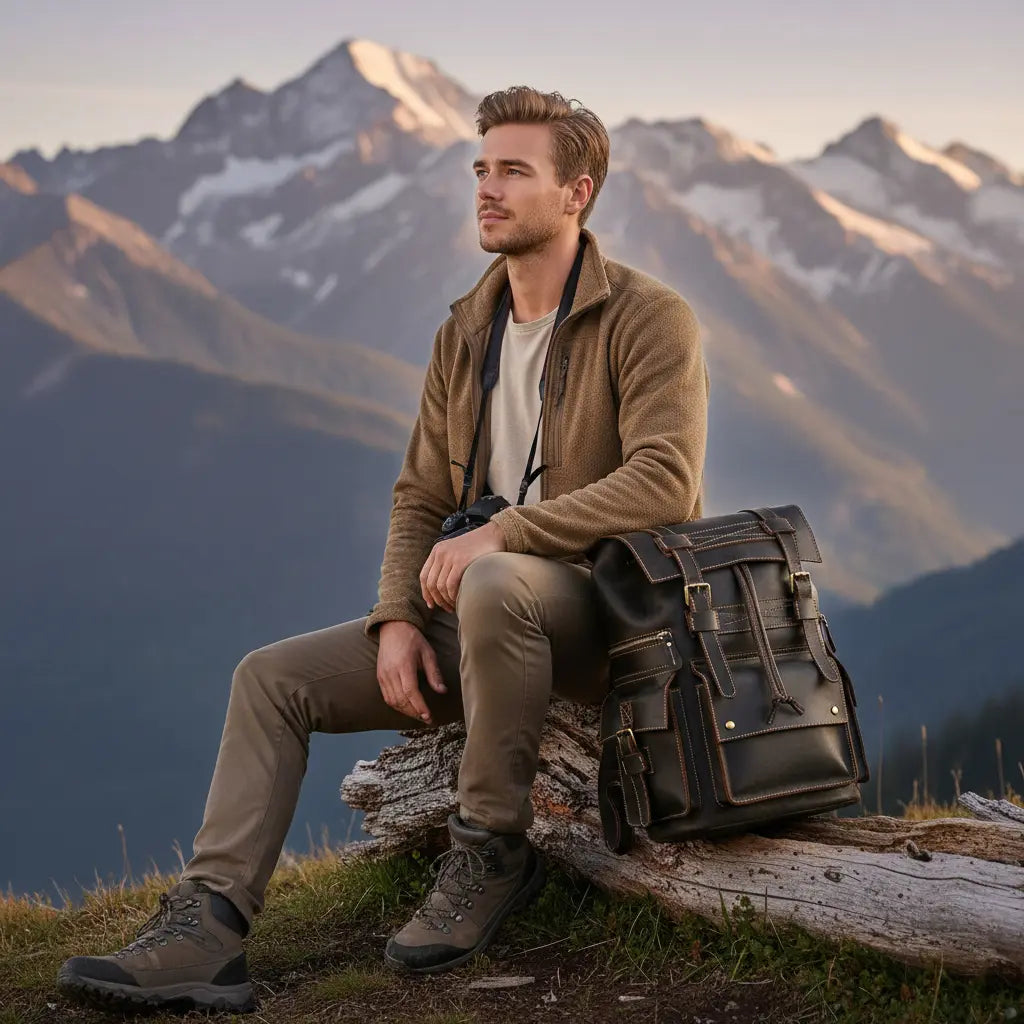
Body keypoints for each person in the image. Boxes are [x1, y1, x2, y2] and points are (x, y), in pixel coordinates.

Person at [57, 85, 710, 1014]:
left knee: (494, 581)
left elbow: (664, 483)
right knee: (269, 680)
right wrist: (396, 617)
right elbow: (420, 497)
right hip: (477, 612)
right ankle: (206, 929)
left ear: (578, 193)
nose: (487, 189)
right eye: (481, 169)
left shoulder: (650, 317)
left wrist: (505, 532)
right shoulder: (466, 331)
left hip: (604, 621)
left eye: (513, 171)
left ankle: (489, 852)